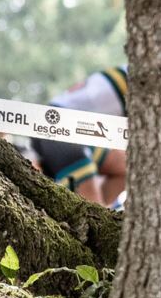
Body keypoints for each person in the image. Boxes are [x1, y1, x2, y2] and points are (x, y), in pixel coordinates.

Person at [28, 65, 129, 206]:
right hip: (60, 133)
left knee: (128, 166)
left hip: (77, 133)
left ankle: (100, 212)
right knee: (95, 215)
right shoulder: (141, 79)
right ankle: (95, 214)